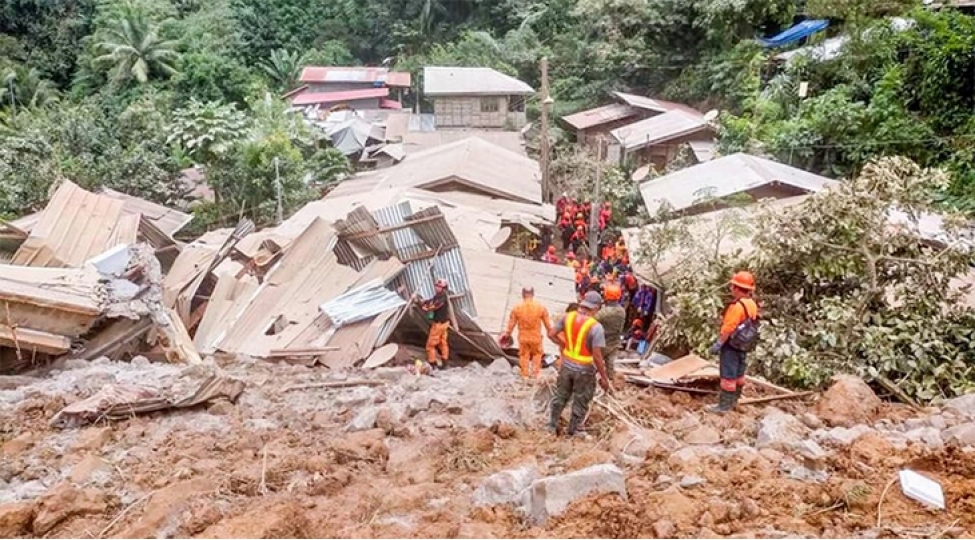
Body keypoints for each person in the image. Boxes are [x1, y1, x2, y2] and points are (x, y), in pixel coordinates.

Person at [547, 291, 610, 437]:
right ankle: (573, 430)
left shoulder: (567, 318)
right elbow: (597, 356)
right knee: (581, 399)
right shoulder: (596, 327)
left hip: (566, 365)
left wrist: (563, 344)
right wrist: (604, 377)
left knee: (560, 396)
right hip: (585, 370)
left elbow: (551, 334)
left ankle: (551, 425)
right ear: (595, 308)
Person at [709, 271, 760, 413]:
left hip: (732, 344)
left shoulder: (737, 306)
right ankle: (734, 401)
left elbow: (728, 328)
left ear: (737, 288)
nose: (731, 289)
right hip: (744, 344)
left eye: (732, 286)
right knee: (739, 374)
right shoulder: (752, 304)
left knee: (728, 375)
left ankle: (724, 406)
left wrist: (719, 344)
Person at [501, 287, 553, 379]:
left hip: (523, 337)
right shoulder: (540, 307)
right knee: (537, 354)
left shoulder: (517, 308)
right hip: (536, 337)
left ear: (523, 294)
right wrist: (551, 333)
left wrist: (507, 334)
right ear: (533, 294)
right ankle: (535, 374)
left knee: (524, 355)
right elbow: (548, 324)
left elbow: (511, 324)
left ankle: (525, 375)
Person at [595, 281, 627, 383]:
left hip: (602, 343)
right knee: (610, 366)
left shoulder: (603, 313)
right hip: (615, 342)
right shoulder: (622, 311)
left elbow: (591, 322)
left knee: (593, 364)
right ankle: (610, 384)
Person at [419, 278, 451, 369]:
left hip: (439, 324)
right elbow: (431, 301)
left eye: (439, 286)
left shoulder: (442, 298)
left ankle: (432, 363)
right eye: (436, 286)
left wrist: (425, 307)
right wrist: (424, 302)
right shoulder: (439, 296)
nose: (436, 288)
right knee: (442, 343)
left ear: (443, 288)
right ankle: (445, 362)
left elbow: (434, 306)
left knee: (430, 345)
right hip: (444, 323)